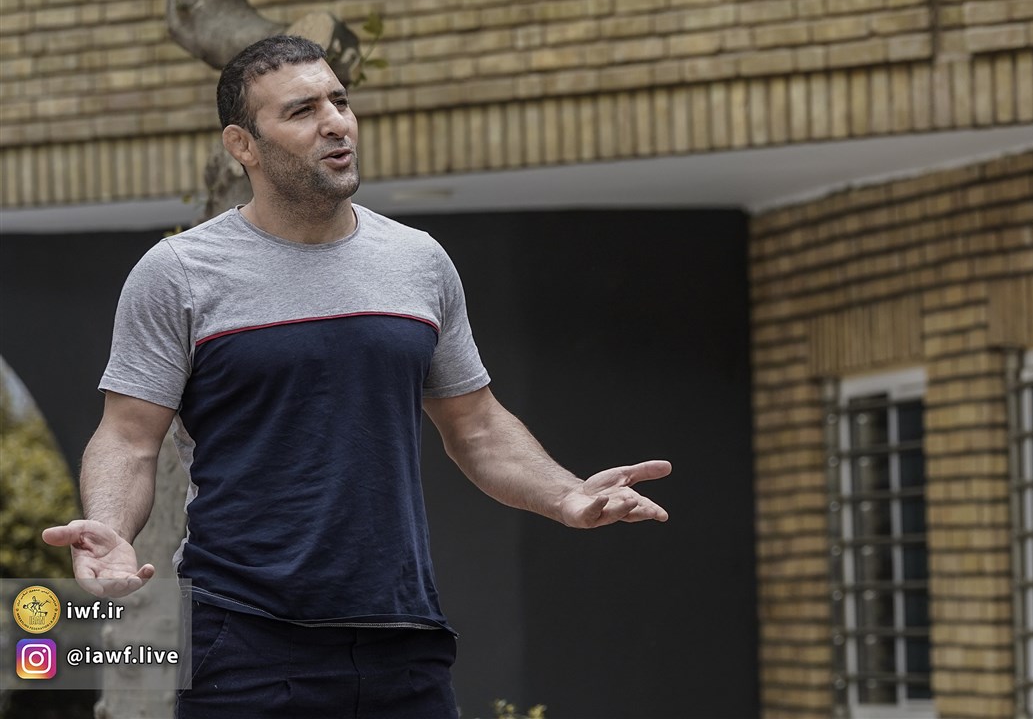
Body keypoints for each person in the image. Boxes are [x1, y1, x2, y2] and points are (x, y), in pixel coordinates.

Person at [43, 35, 671, 719]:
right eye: (302, 110)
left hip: (403, 635)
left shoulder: (417, 261)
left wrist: (567, 495)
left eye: (339, 101)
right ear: (242, 145)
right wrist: (110, 529)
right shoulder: (178, 274)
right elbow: (129, 439)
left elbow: (477, 426)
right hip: (246, 636)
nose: (335, 122)